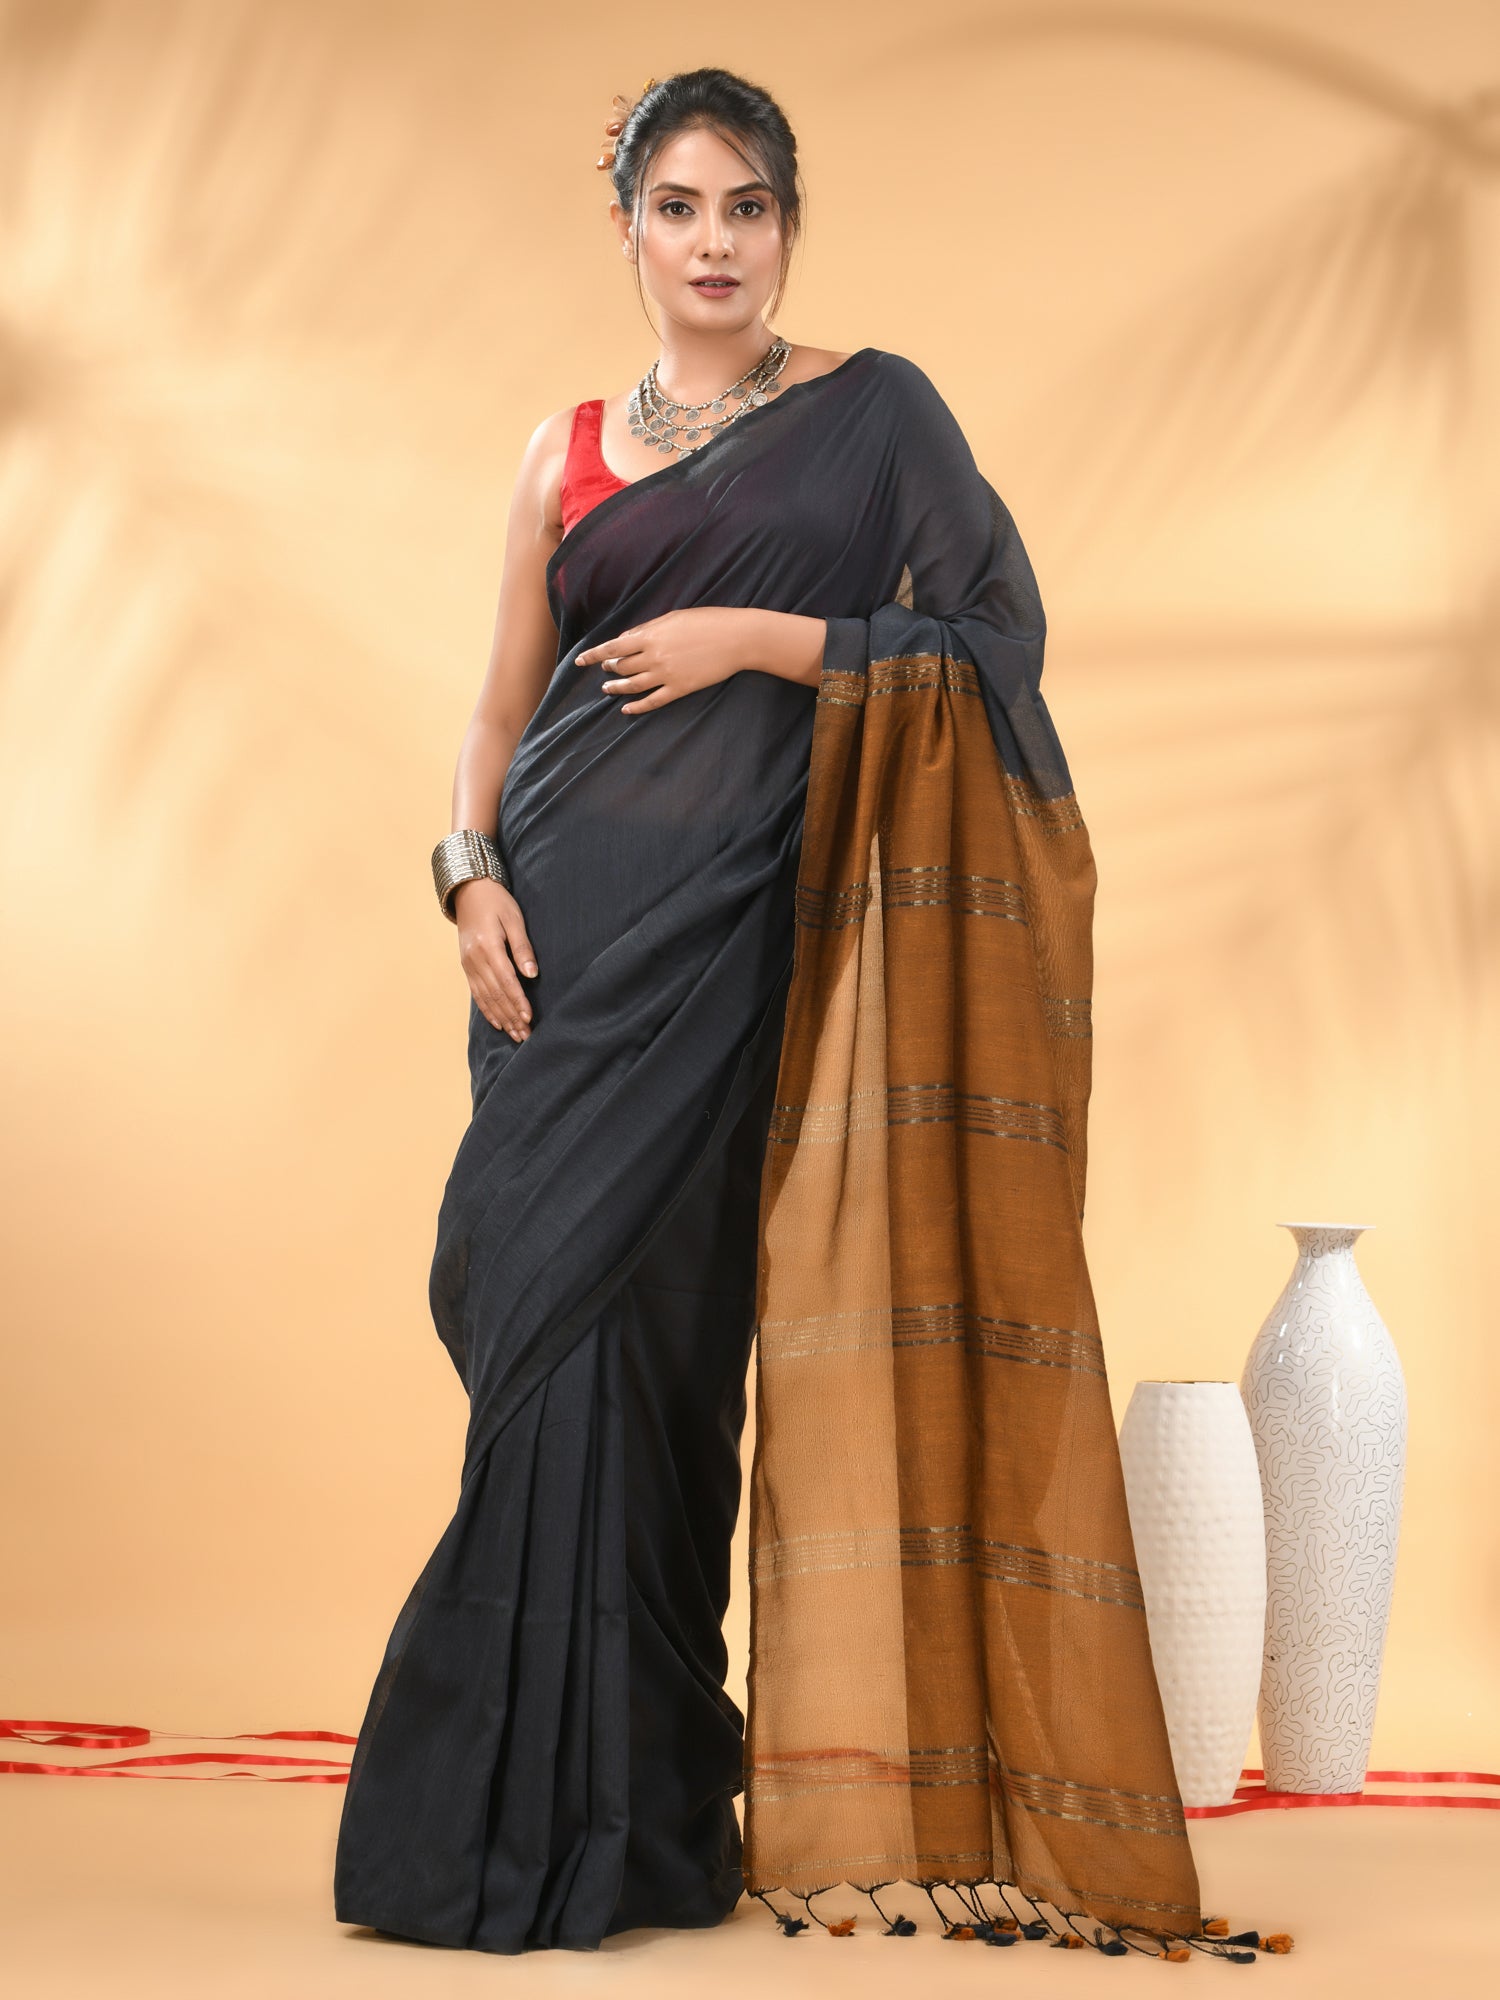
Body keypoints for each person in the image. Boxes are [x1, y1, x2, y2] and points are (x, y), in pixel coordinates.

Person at [334, 66, 1276, 1967]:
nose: (715, 245)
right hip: (552, 956)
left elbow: (996, 645)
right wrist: (466, 876)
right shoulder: (562, 451)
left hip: (730, 963)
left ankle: (641, 1824)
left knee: (669, 1362)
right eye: (679, 208)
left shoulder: (876, 415)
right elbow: (498, 709)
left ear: (788, 225)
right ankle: (502, 1821)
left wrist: (760, 642)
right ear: (628, 227)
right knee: (537, 1339)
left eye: (747, 207)